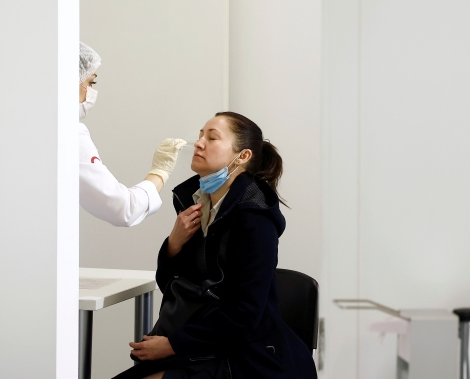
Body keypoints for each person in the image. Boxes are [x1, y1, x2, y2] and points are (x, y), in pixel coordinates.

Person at [116, 111, 316, 379]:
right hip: (205, 344)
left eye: (212, 138)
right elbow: (173, 288)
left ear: (242, 156)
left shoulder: (254, 219)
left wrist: (173, 345)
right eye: (200, 136)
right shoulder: (198, 205)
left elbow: (244, 314)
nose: (199, 143)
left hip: (249, 357)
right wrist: (172, 246)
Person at [80, 42, 186, 227]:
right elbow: (124, 209)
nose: (93, 91)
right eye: (91, 82)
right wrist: (160, 172)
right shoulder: (70, 136)